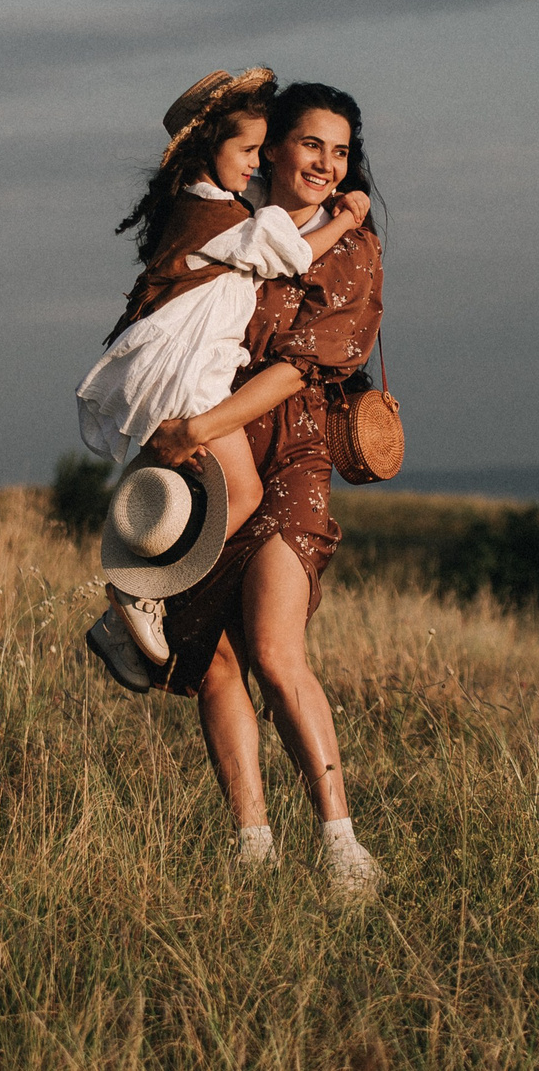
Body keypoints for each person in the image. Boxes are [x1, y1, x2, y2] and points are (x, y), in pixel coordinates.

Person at [104, 82, 387, 898]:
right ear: (276, 148)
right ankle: (252, 849)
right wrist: (179, 418)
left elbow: (302, 364)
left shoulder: (353, 245)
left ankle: (341, 844)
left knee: (272, 644)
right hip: (213, 445)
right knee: (216, 657)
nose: (325, 165)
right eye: (309, 145)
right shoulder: (235, 210)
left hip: (288, 448)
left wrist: (197, 427)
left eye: (339, 151)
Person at [75, 69, 371, 670]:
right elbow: (289, 248)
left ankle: (129, 612)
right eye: (248, 152)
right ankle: (131, 598)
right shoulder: (228, 219)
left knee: (197, 500)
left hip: (178, 369)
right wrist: (344, 220)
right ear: (211, 149)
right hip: (191, 378)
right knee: (244, 495)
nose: (258, 164)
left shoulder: (207, 202)